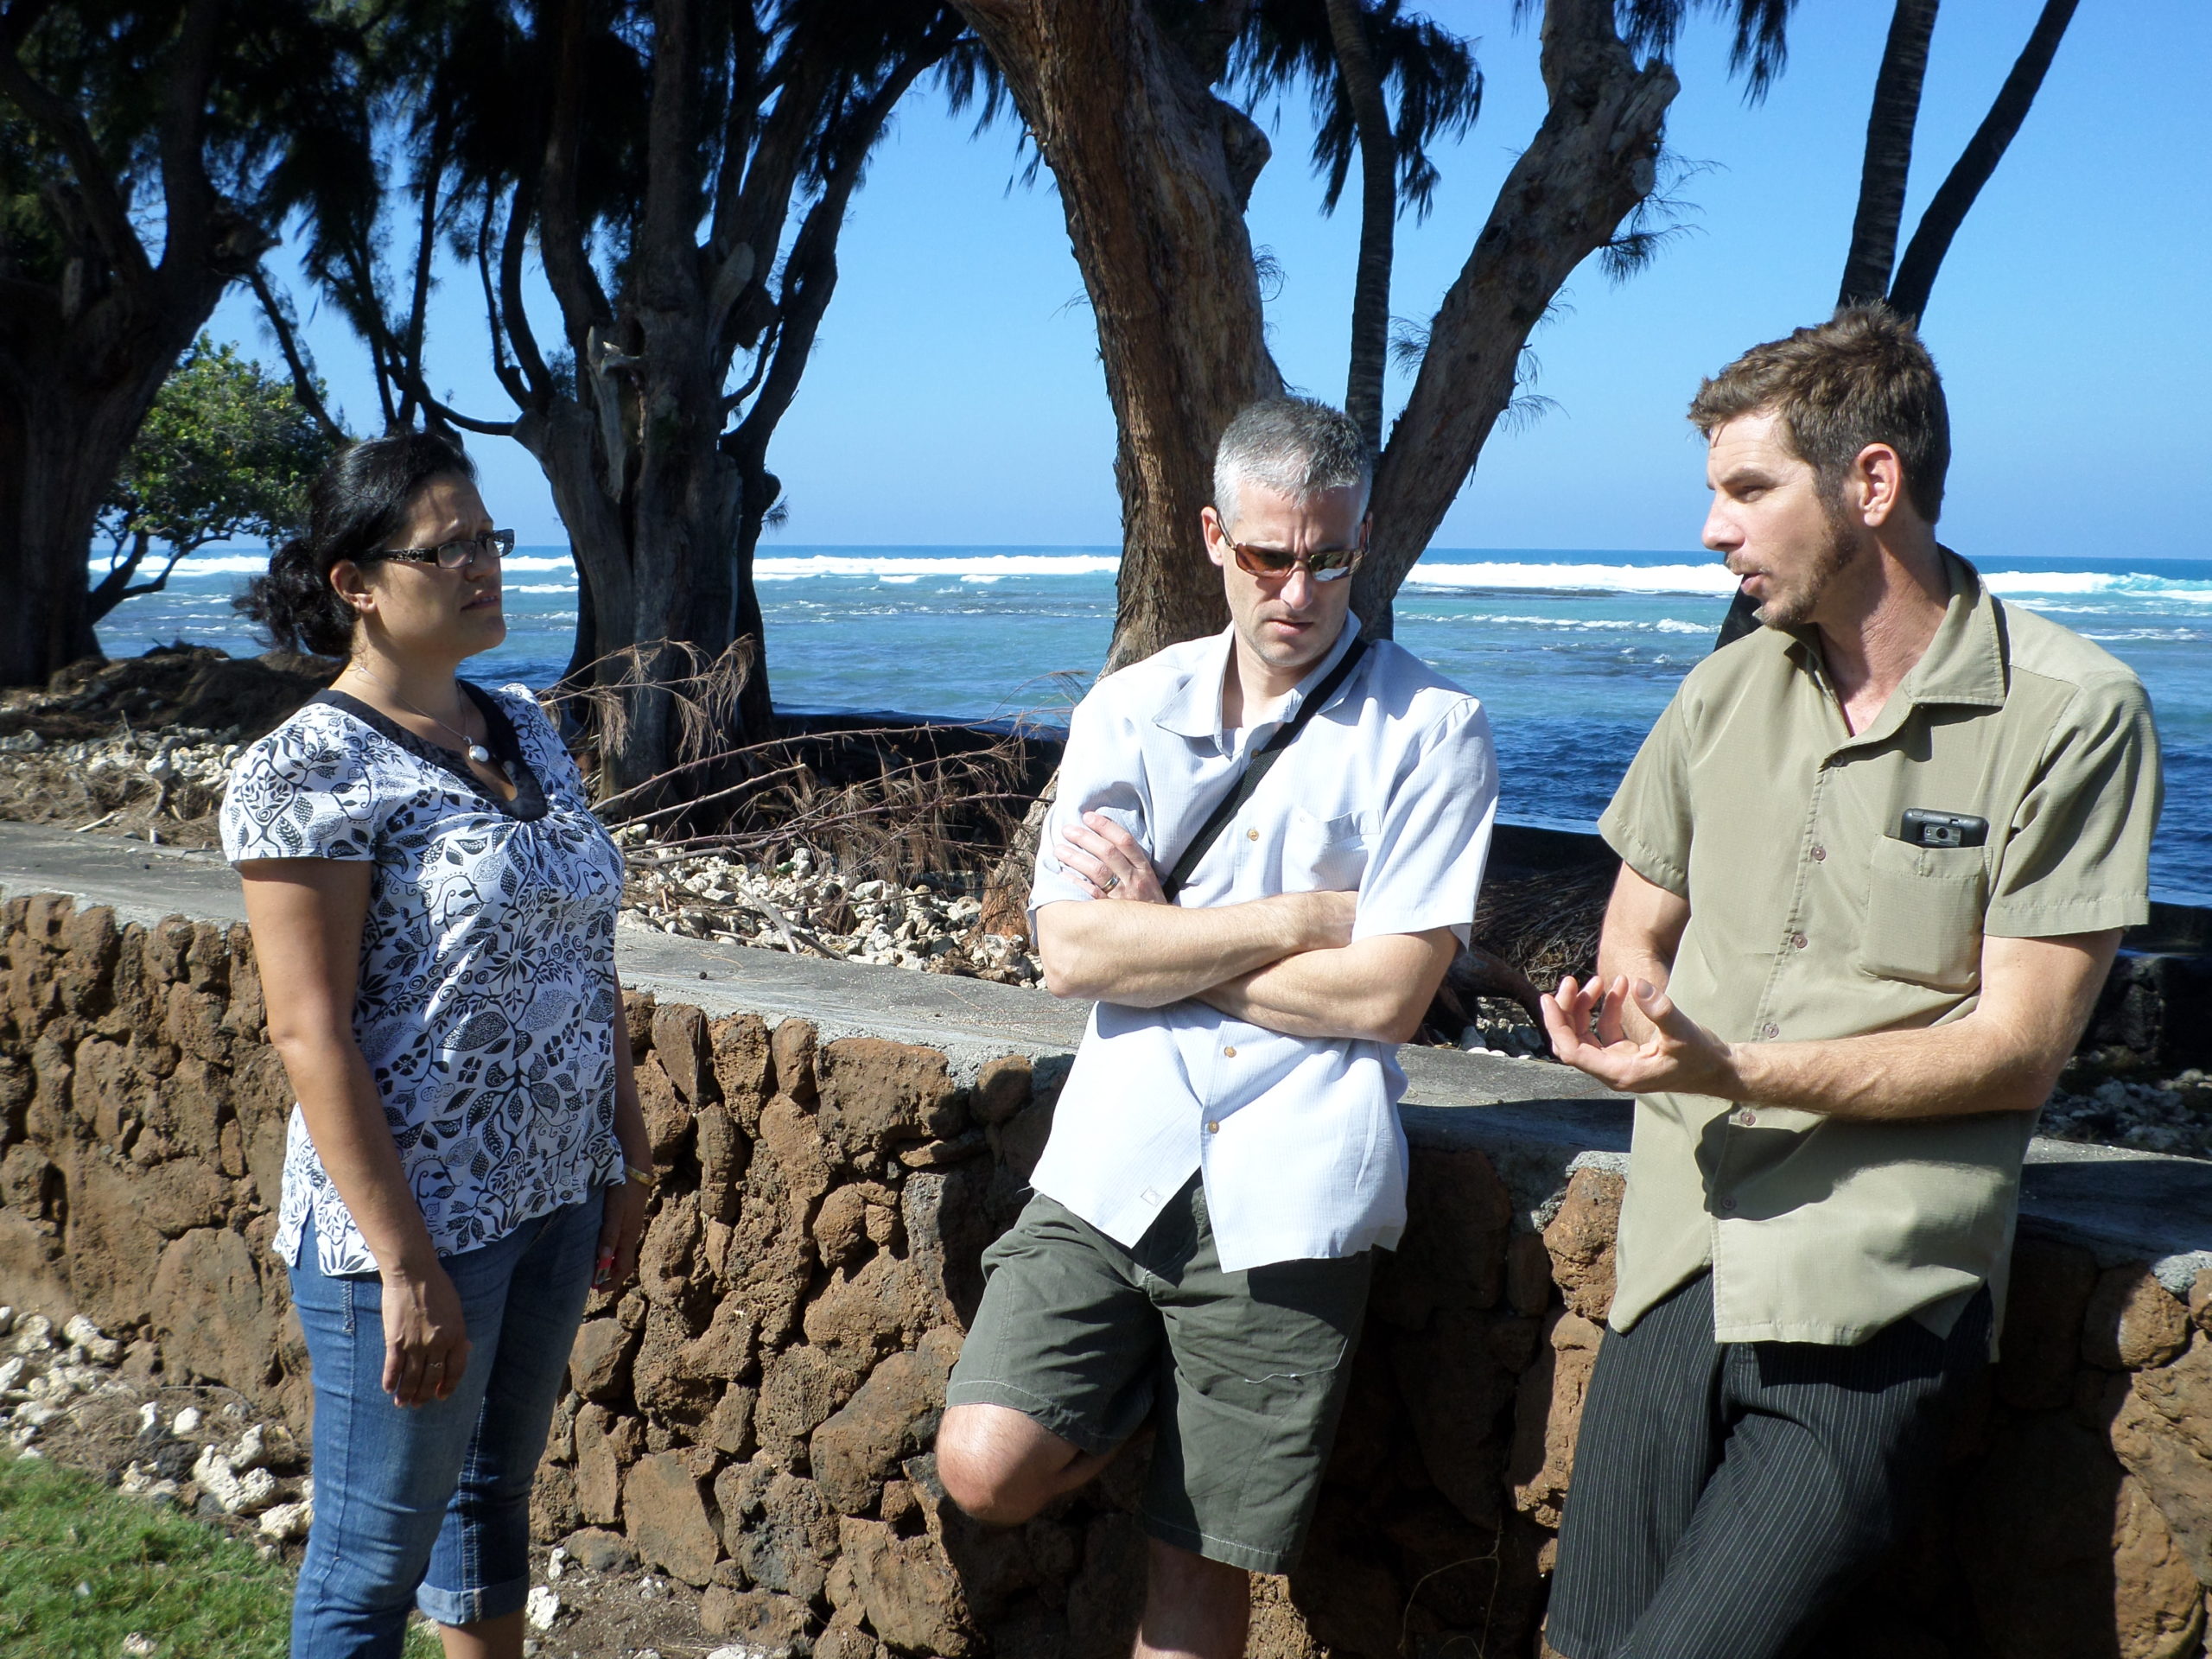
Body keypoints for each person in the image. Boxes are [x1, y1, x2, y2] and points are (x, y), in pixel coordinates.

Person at [1537, 307, 2162, 1658]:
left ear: (1870, 483)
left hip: (1875, 1291)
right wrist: (1622, 1010)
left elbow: (2018, 1051)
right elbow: (1634, 932)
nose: (1715, 529)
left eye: (1747, 490)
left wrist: (1732, 1069)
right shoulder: (1721, 695)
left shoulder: (2074, 711)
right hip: (1673, 1265)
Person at [934, 397, 1498, 1658]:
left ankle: (1183, 1419)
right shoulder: (1133, 708)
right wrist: (1305, 917)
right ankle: (1144, 1402)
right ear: (1210, 538)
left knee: (1199, 1581)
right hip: (1114, 1162)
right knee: (986, 1461)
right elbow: (1075, 946)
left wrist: (1170, 936)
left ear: (1366, 540)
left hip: (1297, 1189)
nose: (1301, 590)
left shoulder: (1434, 730)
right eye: (1269, 558)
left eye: (1334, 557)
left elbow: (1386, 1000)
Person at [219, 434, 654, 1659]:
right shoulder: (306, 768)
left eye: (488, 539)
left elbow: (583, 950)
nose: (482, 565)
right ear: (356, 582)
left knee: (487, 1509)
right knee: (369, 1561)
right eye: (447, 546)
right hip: (413, 1228)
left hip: (554, 1194)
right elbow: (311, 1030)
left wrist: (620, 1144)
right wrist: (405, 1265)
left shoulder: (524, 726)